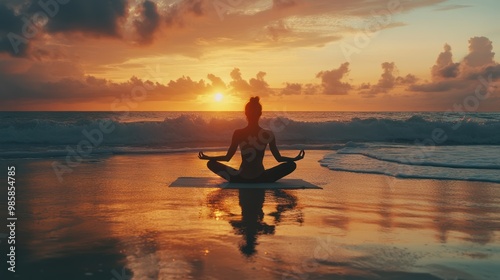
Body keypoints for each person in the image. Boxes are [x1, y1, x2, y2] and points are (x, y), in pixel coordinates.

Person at [198, 96, 305, 183]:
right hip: (262, 178)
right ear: (260, 113)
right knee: (291, 165)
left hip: (240, 178)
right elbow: (279, 158)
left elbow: (227, 157)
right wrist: (295, 159)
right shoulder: (268, 134)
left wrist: (208, 157)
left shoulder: (238, 133)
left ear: (245, 113)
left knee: (211, 163)